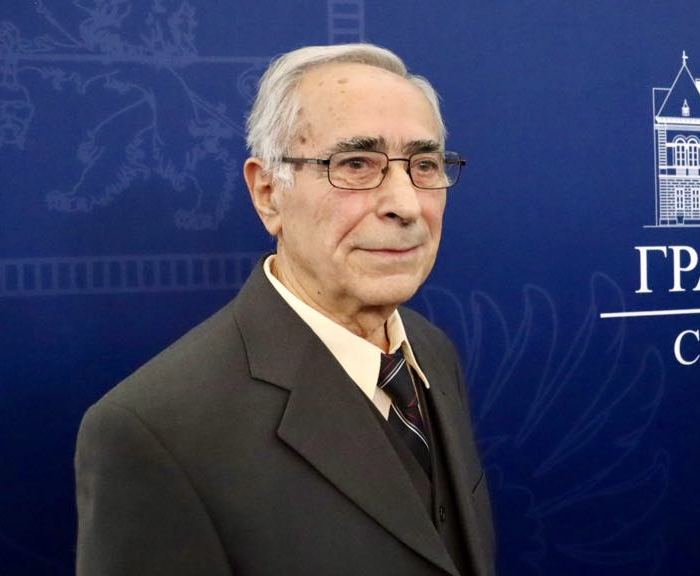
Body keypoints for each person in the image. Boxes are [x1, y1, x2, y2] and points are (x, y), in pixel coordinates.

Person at [74, 44, 495, 576]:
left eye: (425, 165)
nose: (406, 205)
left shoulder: (431, 352)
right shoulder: (152, 431)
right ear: (268, 193)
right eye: (356, 164)